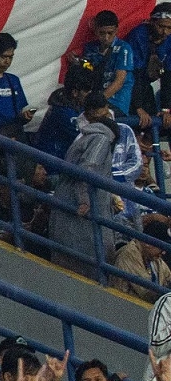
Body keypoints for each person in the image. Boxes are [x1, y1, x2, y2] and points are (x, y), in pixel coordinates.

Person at [50, 92, 117, 260]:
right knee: (87, 262)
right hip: (81, 211)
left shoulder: (87, 135)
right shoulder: (101, 139)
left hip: (67, 201)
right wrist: (84, 199)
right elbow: (87, 169)